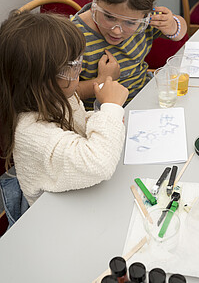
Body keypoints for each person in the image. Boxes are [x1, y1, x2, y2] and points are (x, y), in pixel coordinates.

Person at [0, 11, 129, 206]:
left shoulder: (57, 96)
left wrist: (104, 118)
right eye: (74, 64)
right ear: (40, 80)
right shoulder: (30, 132)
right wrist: (111, 108)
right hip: (48, 213)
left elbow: (78, 124)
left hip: (72, 195)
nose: (80, 70)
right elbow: (99, 164)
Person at [71, 0, 187, 110]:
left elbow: (181, 32)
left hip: (146, 99)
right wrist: (103, 79)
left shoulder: (147, 20)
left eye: (130, 22)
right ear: (95, 2)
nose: (117, 31)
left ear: (146, 15)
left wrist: (173, 25)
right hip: (105, 116)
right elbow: (65, 93)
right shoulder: (73, 37)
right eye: (109, 17)